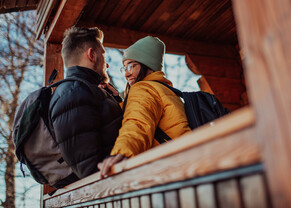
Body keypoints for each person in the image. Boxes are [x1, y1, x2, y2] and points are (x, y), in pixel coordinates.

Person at [98, 36, 191, 178]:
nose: (127, 73)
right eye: (125, 68)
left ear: (147, 65)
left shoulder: (143, 88)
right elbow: (140, 112)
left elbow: (138, 122)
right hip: (186, 163)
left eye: (132, 65)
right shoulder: (163, 89)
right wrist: (117, 99)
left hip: (171, 171)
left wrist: (122, 153)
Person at [49, 27, 123, 186]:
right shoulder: (74, 93)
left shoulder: (83, 91)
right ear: (92, 55)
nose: (107, 64)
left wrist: (115, 99)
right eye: (103, 54)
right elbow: (90, 170)